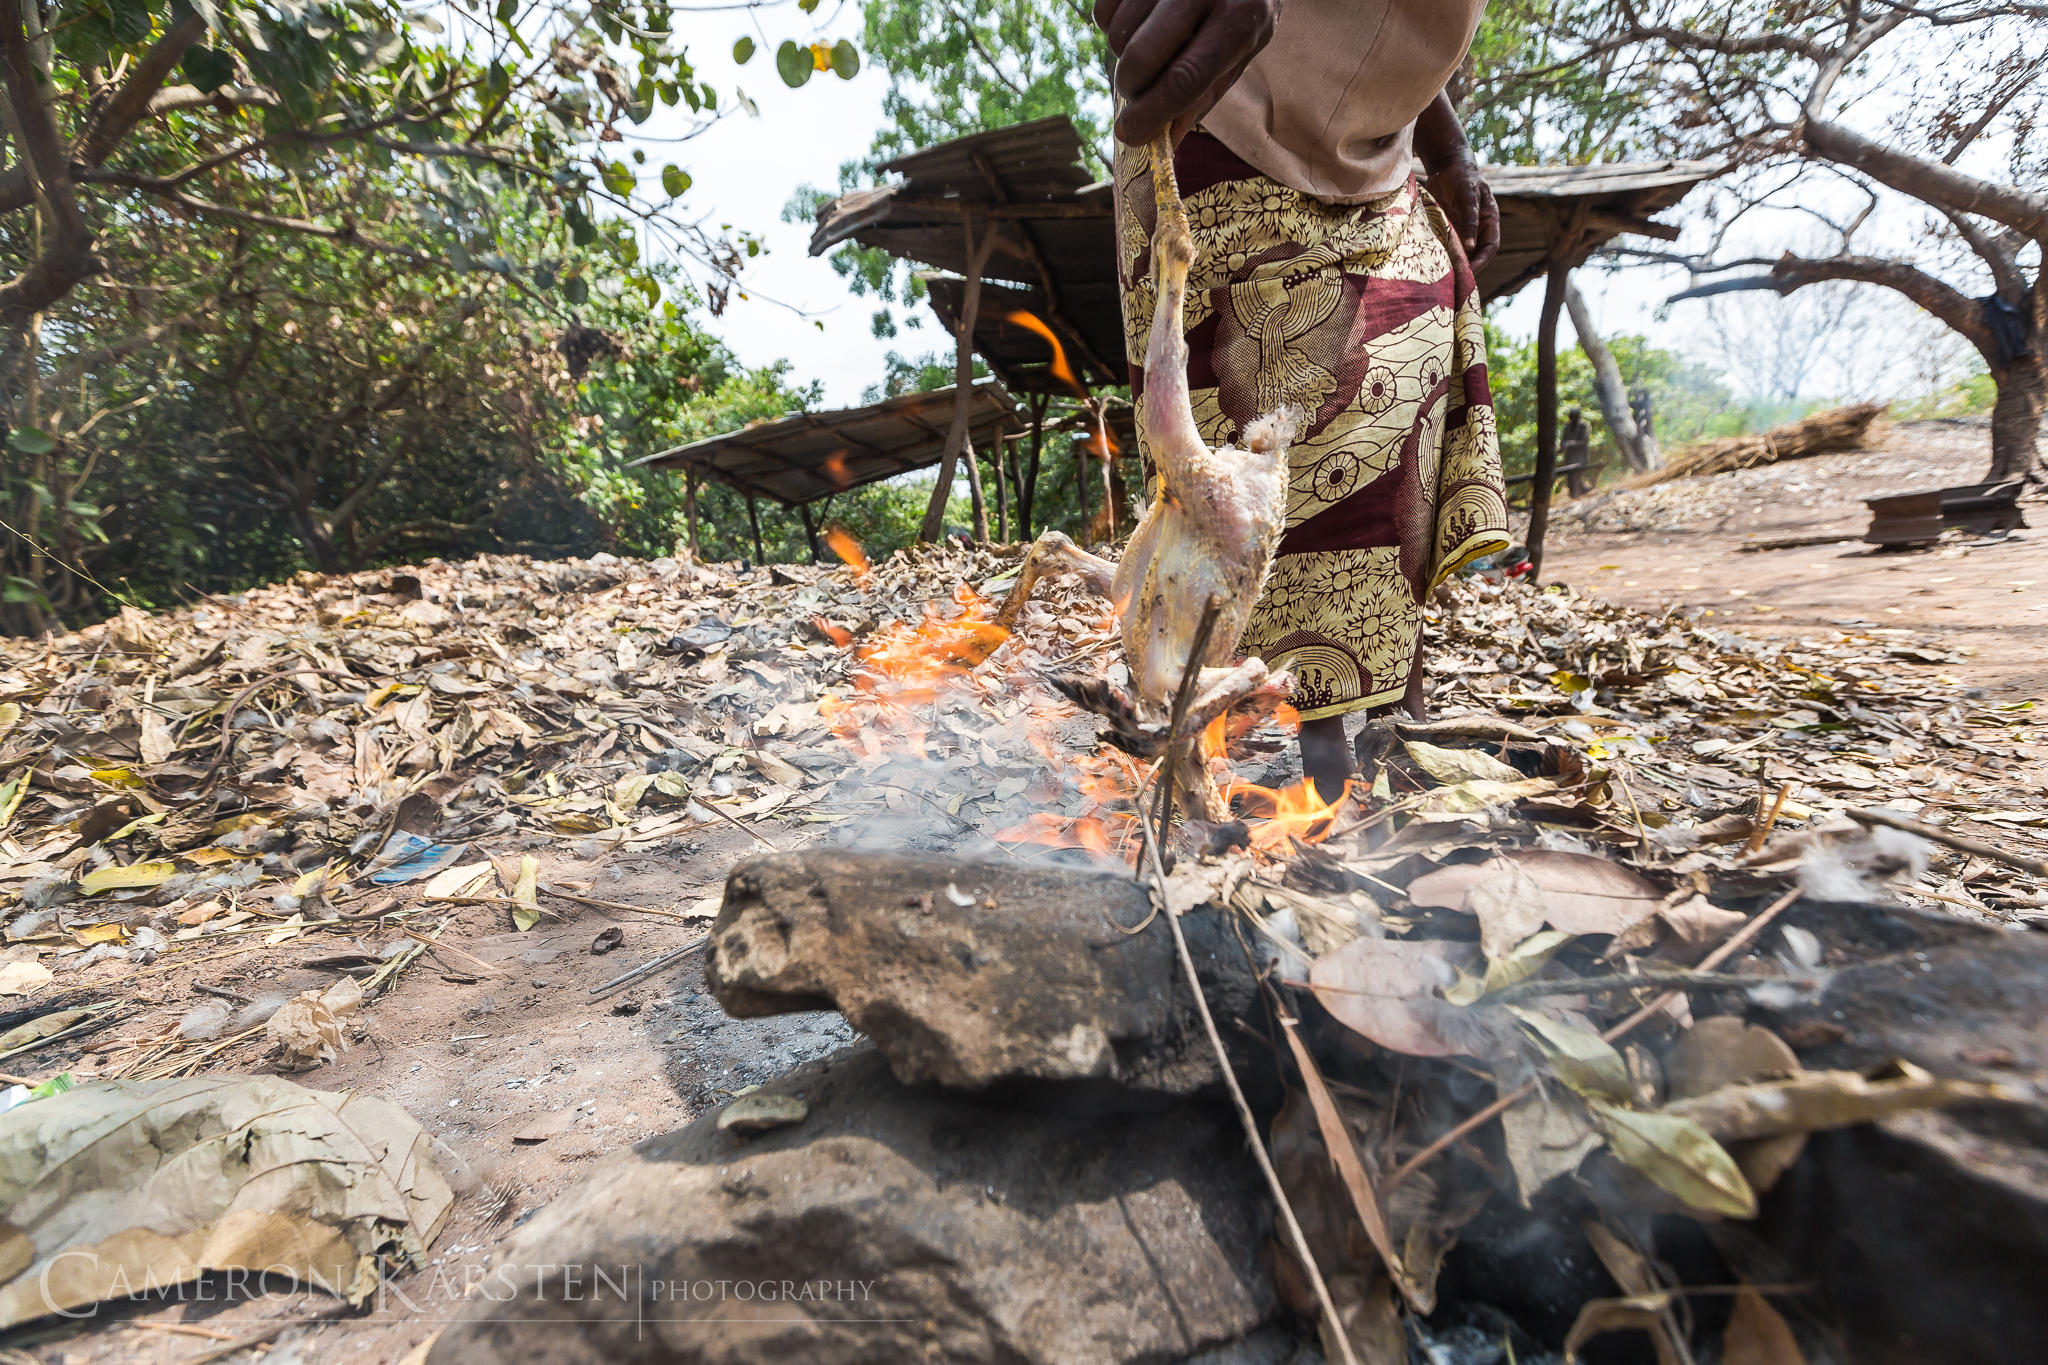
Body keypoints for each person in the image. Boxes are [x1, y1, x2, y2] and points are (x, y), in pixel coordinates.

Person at [1096, 0, 1511, 803]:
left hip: (1384, 152)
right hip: (1226, 112)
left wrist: (1446, 143)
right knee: (1233, 495)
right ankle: (1281, 760)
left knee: (1386, 470)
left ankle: (1389, 741)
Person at [1561, 405, 1593, 497]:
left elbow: (1584, 441)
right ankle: (1580, 491)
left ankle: (1577, 494)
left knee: (1576, 474)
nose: (1572, 418)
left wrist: (1571, 443)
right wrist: (1563, 445)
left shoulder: (1584, 425)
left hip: (1580, 455)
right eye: (1571, 416)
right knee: (1570, 476)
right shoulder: (1568, 426)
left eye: (1574, 416)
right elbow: (1563, 440)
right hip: (1570, 456)